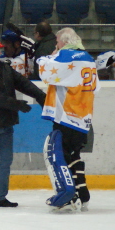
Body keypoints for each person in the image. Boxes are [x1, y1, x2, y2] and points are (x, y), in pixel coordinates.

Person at [0, 37, 46, 208]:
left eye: (0, 49)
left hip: (6, 123)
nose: (0, 52)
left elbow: (22, 83)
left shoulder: (5, 67)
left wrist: (40, 95)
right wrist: (16, 104)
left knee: (5, 161)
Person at [37, 27, 99, 211]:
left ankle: (69, 196)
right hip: (83, 115)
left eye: (57, 41)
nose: (56, 45)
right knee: (74, 155)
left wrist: (44, 57)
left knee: (61, 156)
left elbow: (45, 72)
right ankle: (83, 194)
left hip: (67, 115)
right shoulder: (88, 58)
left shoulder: (66, 56)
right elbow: (96, 88)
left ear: (64, 41)